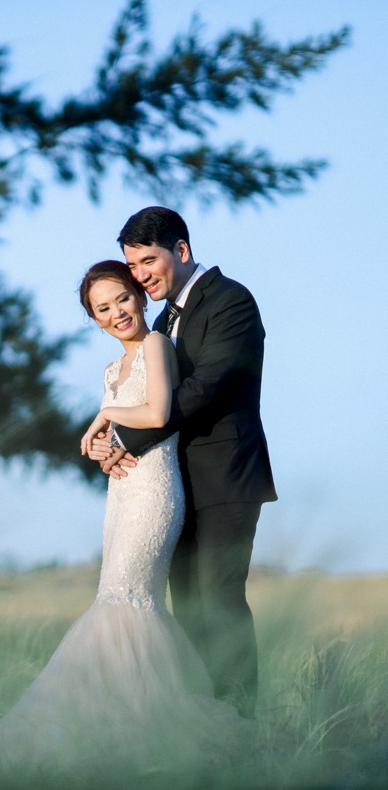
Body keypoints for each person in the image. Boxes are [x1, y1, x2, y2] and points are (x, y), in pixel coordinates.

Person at [0, 260, 251, 772]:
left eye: (123, 298)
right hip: (120, 496)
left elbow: (159, 413)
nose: (117, 312)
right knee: (115, 597)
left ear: (140, 297)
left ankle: (149, 728)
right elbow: (120, 438)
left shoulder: (158, 346)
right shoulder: (109, 370)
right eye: (103, 308)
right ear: (94, 320)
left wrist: (104, 415)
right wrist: (104, 448)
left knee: (128, 599)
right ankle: (115, 721)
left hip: (155, 495)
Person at [88, 207, 276, 719]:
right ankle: (204, 724)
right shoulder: (166, 319)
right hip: (175, 485)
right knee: (188, 612)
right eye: (135, 266)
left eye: (149, 260)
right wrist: (115, 445)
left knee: (219, 604)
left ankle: (240, 726)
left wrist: (125, 434)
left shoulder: (230, 301)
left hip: (225, 480)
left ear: (182, 250)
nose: (142, 274)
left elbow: (203, 389)